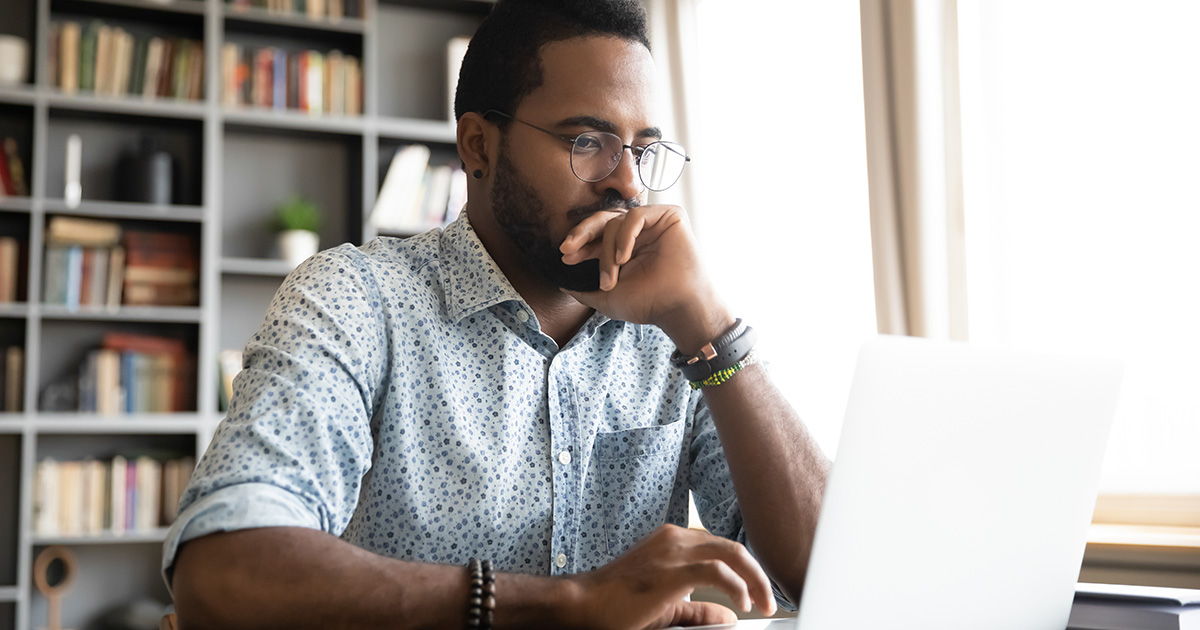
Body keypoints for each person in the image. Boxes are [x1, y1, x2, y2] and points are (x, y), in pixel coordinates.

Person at [165, 0, 829, 627]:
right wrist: (568, 605)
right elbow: (223, 569)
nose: (627, 182)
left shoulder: (678, 334)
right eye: (588, 141)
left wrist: (712, 330)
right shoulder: (357, 298)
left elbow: (822, 576)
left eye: (642, 148)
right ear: (478, 146)